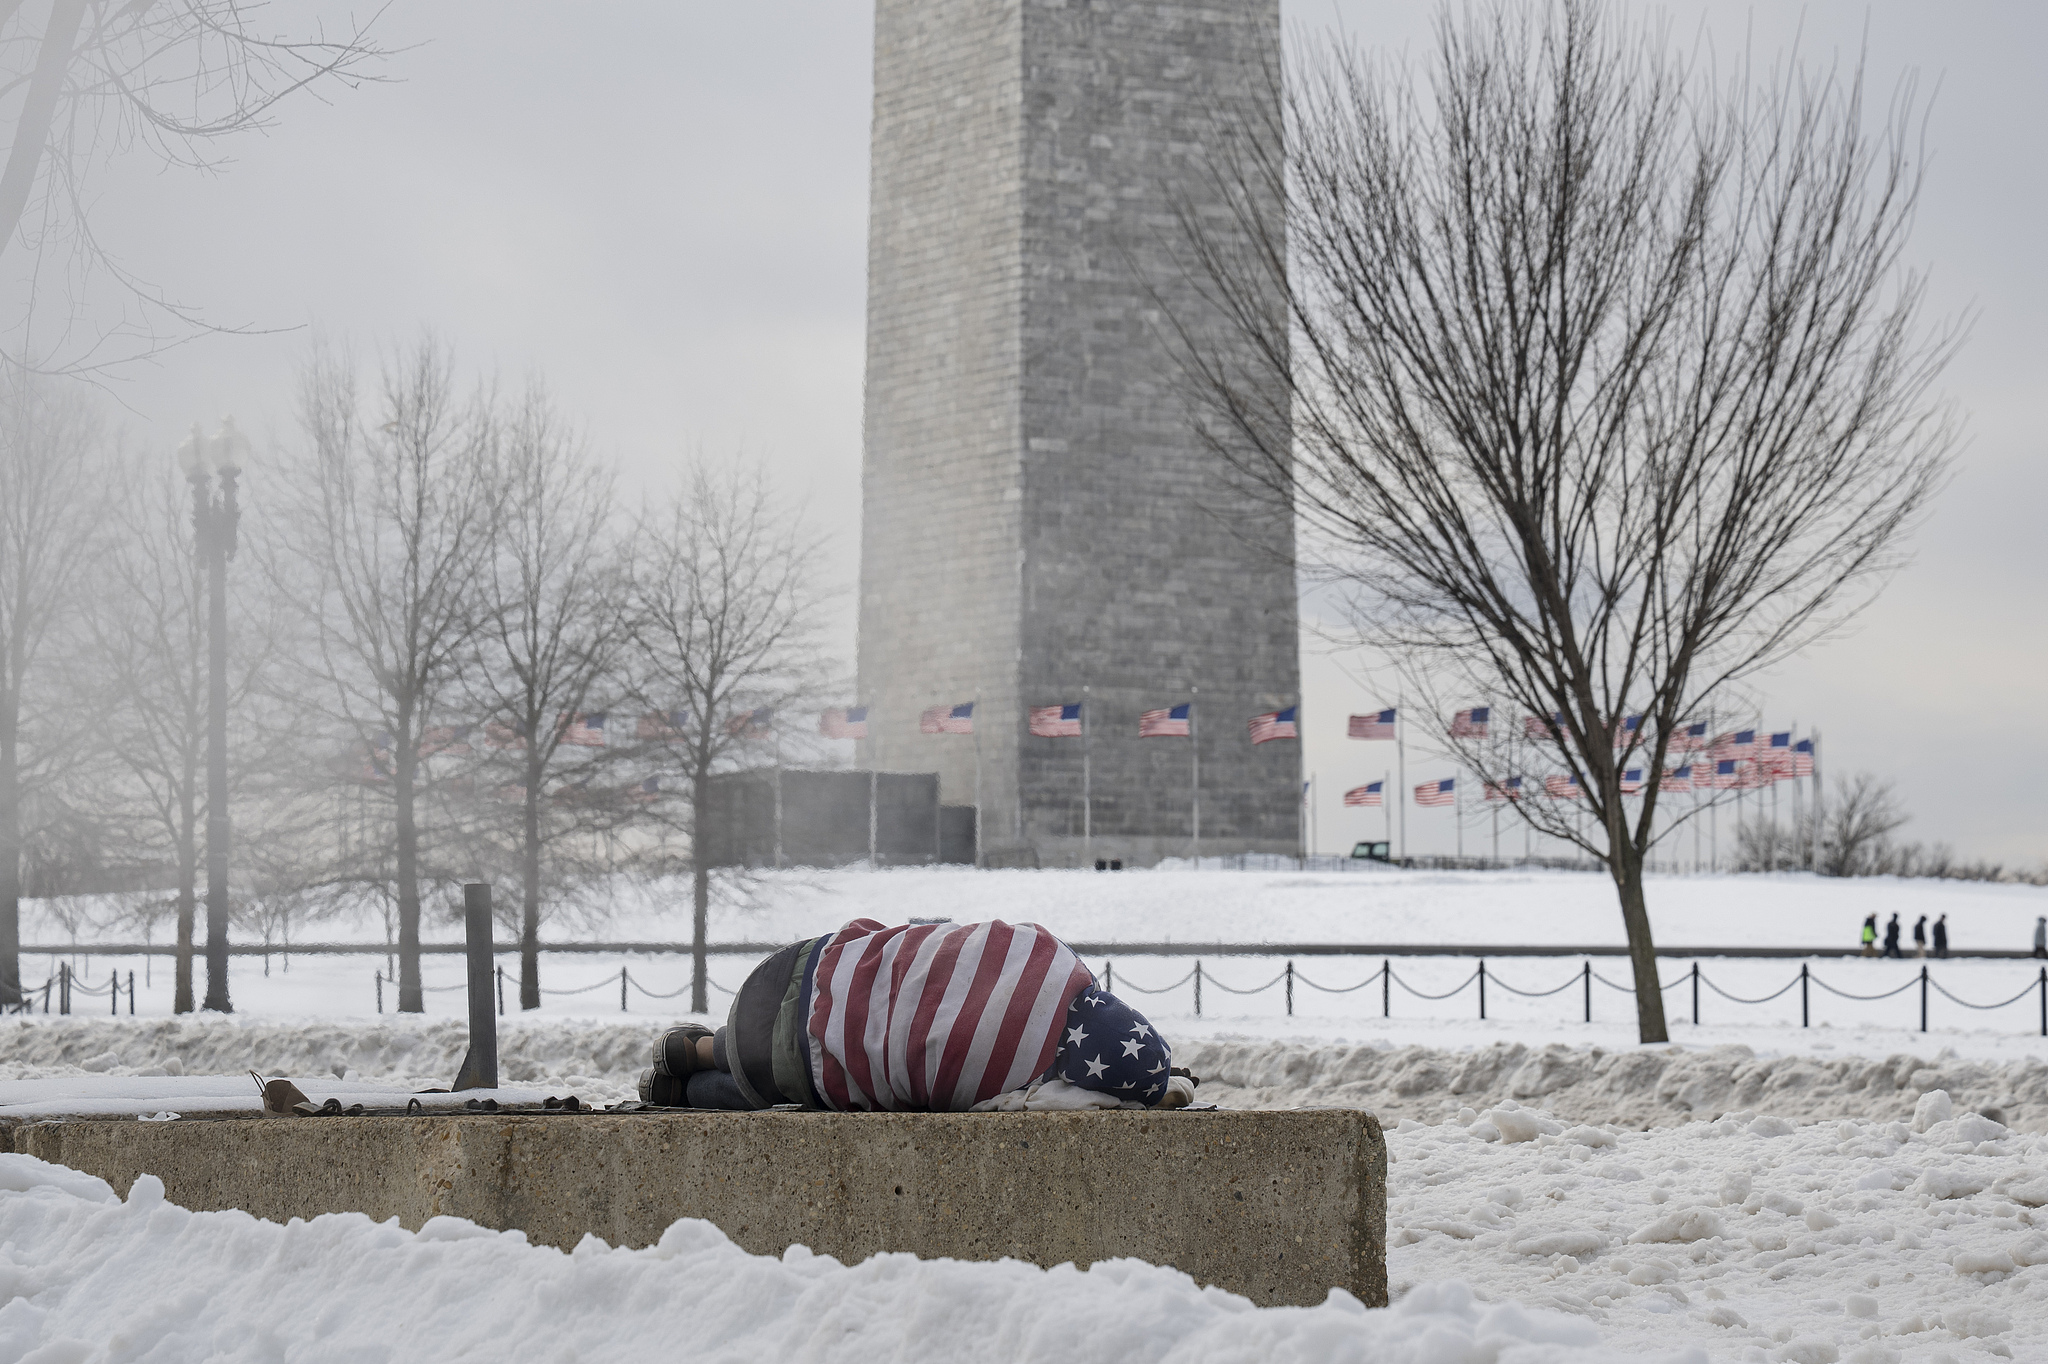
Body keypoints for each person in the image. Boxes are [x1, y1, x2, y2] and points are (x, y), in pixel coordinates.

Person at [637, 918, 1196, 1113]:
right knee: (832, 1080)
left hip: (796, 972)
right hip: (787, 1066)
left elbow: (940, 942)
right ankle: (685, 1089)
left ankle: (700, 1047)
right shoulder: (1020, 1082)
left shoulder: (1044, 952)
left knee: (852, 1009)